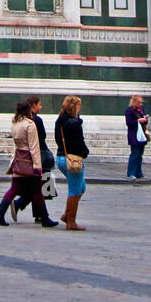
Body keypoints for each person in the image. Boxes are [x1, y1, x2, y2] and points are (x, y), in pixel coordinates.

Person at [0, 99, 58, 228]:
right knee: (38, 190)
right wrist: (37, 166)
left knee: (14, 189)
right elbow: (34, 147)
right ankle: (44, 218)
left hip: (19, 157)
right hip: (29, 158)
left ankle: (0, 213)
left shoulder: (15, 122)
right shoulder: (30, 124)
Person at [12, 96, 55, 222]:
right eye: (39, 105)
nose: (40, 107)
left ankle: (38, 214)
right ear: (34, 105)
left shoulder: (21, 120)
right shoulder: (36, 120)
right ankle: (21, 205)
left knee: (38, 187)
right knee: (39, 187)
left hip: (28, 155)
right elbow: (42, 137)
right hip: (39, 155)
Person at [55, 95, 89, 231]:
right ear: (74, 107)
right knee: (74, 190)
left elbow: (59, 139)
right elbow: (79, 143)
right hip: (73, 159)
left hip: (61, 157)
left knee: (82, 187)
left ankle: (67, 214)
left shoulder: (60, 120)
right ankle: (71, 222)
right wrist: (85, 152)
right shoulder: (75, 124)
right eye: (78, 106)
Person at [125, 94, 149, 181]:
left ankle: (139, 172)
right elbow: (129, 123)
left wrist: (145, 120)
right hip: (134, 135)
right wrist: (138, 121)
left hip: (141, 135)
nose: (141, 104)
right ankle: (131, 172)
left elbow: (144, 123)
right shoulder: (129, 111)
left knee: (140, 155)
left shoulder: (141, 111)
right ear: (135, 102)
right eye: (139, 102)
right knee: (135, 154)